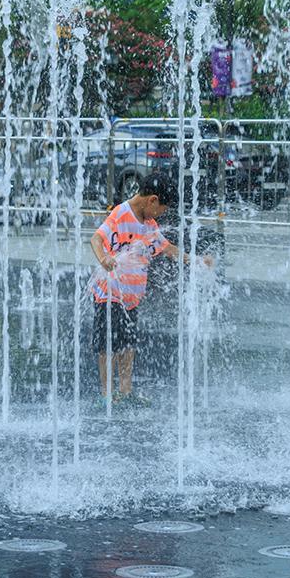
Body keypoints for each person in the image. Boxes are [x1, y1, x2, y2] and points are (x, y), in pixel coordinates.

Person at [89, 172, 208, 405]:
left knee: (128, 344)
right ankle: (106, 394)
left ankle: (125, 391)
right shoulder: (121, 214)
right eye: (161, 209)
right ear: (152, 200)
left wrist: (196, 260)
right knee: (107, 346)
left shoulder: (148, 224)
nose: (160, 215)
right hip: (109, 293)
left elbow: (167, 248)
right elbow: (95, 239)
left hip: (131, 297)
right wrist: (104, 259)